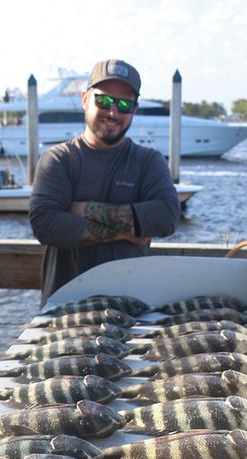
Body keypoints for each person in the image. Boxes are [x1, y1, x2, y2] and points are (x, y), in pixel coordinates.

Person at [29, 59, 181, 304]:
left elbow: (167, 217)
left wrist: (84, 210)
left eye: (124, 105)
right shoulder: (58, 159)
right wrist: (127, 232)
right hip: (65, 309)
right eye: (104, 101)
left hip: (129, 309)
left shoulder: (148, 161)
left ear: (135, 109)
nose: (113, 112)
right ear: (85, 99)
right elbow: (46, 226)